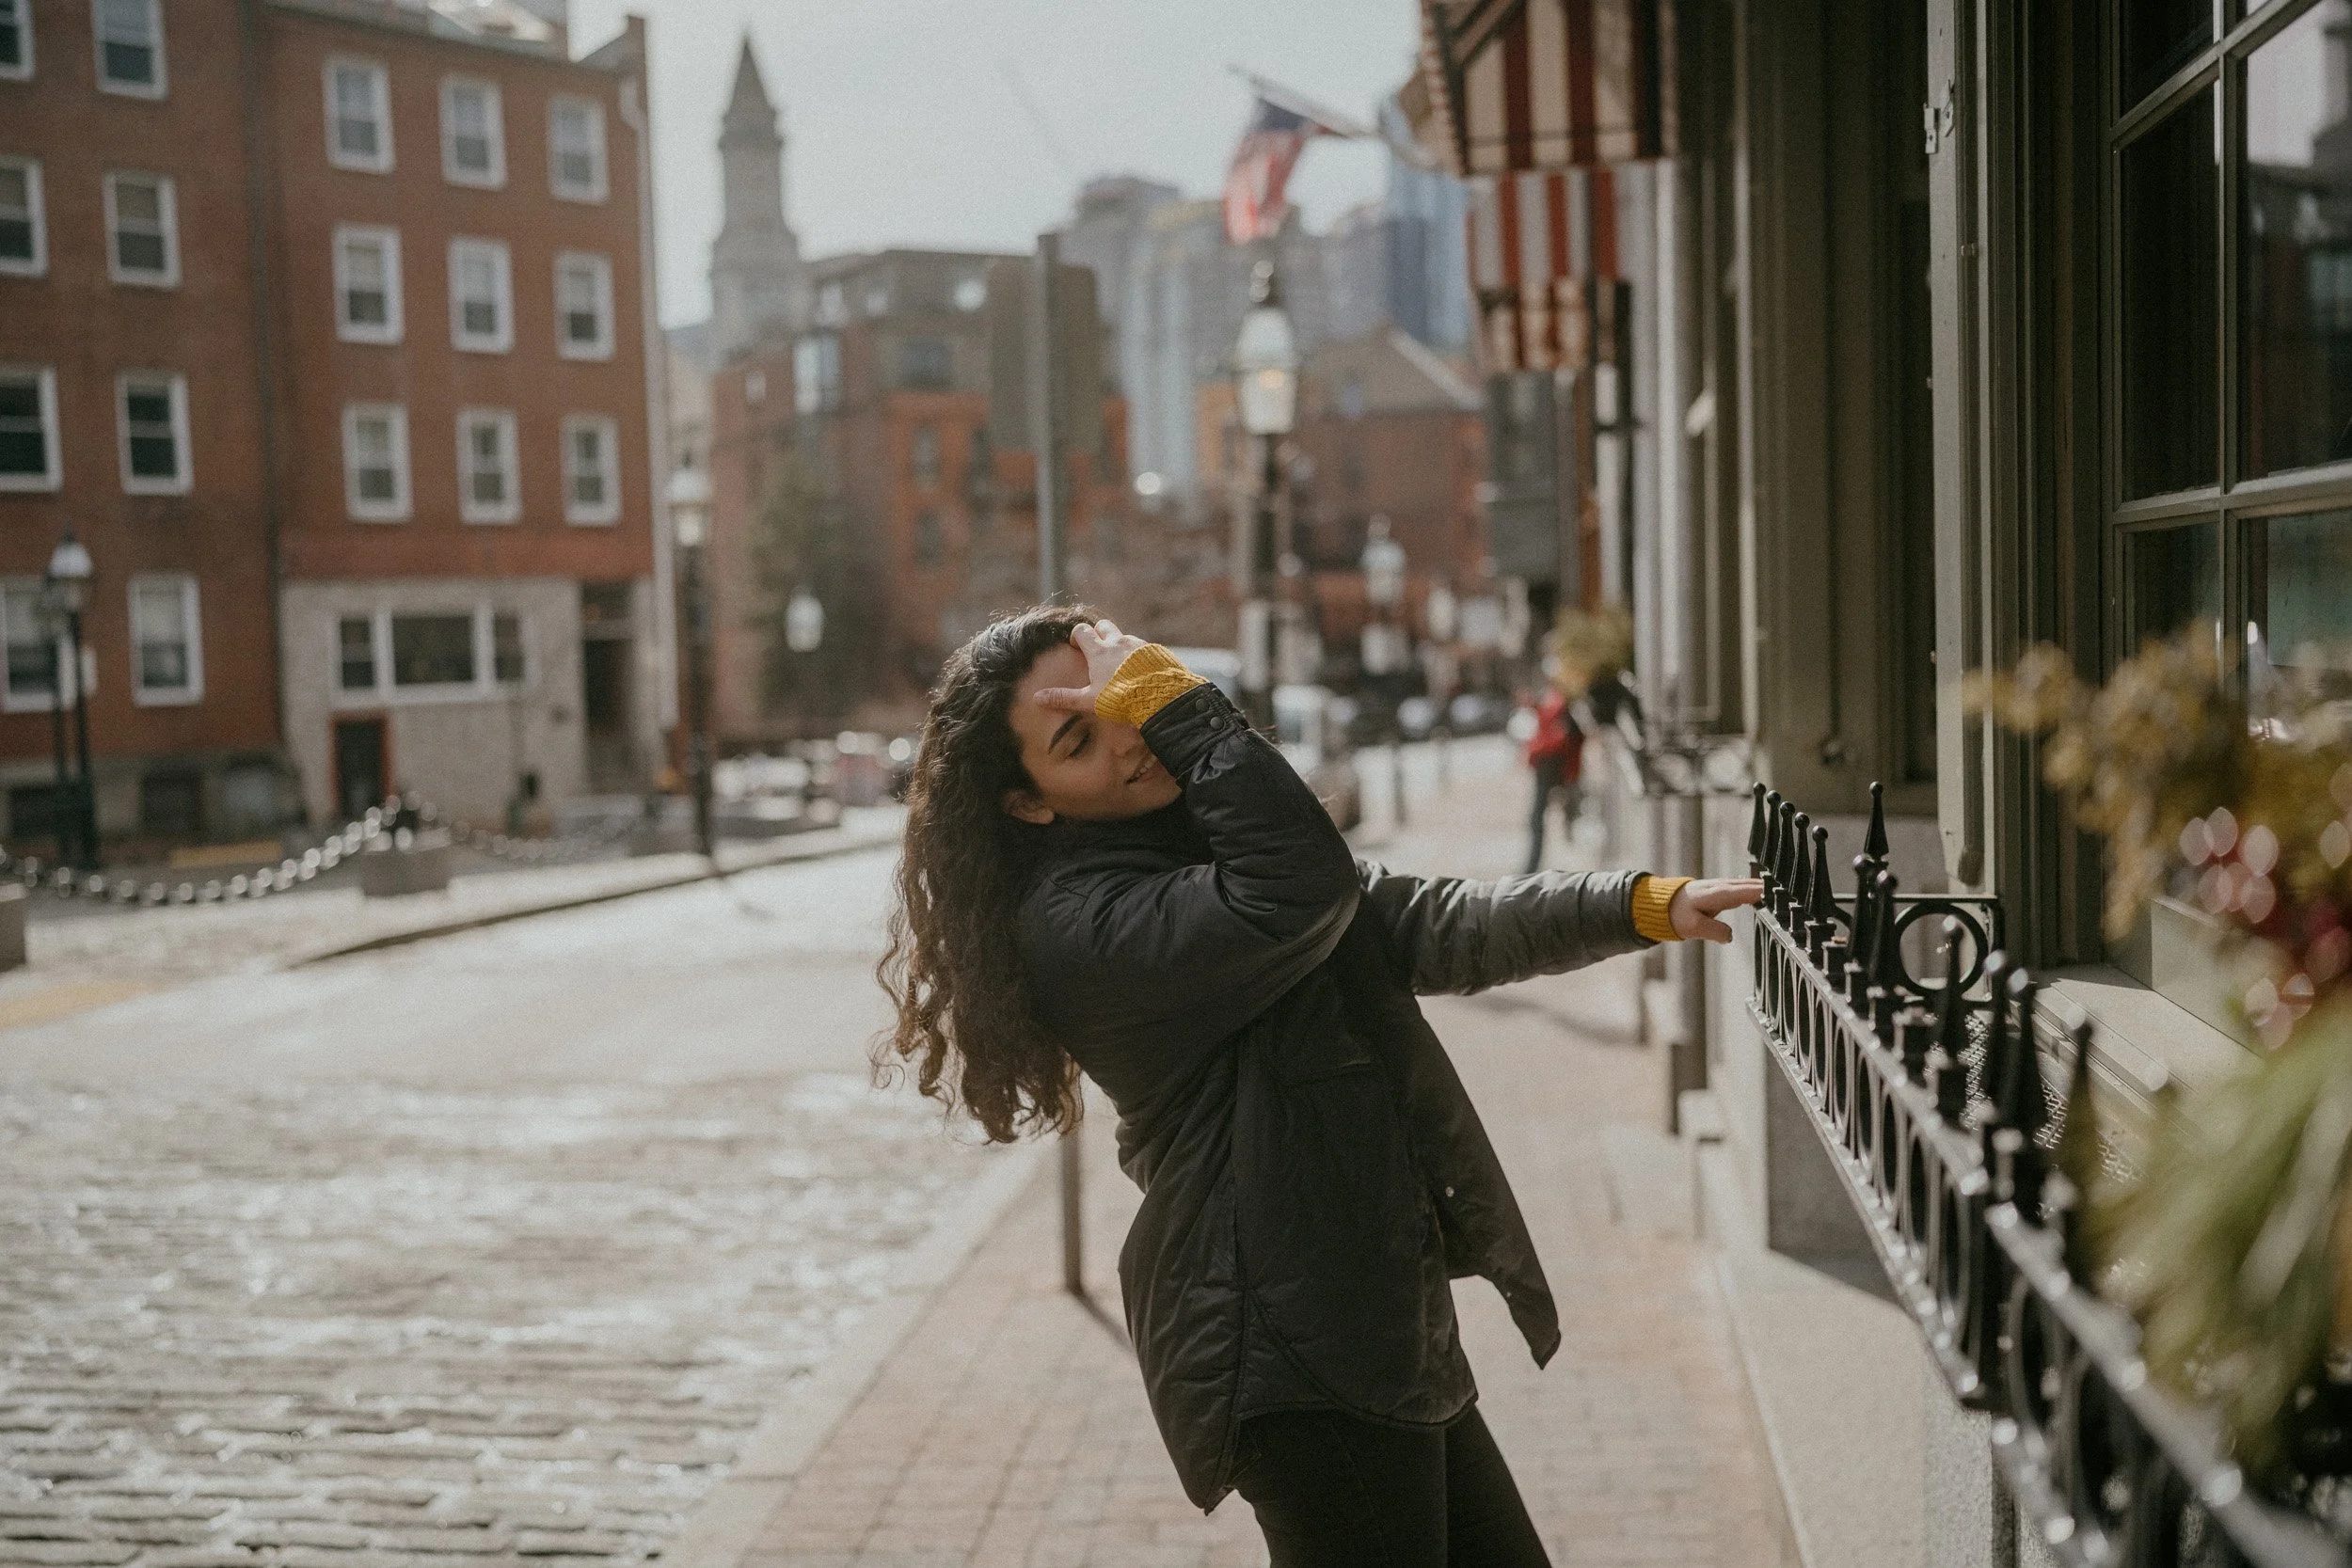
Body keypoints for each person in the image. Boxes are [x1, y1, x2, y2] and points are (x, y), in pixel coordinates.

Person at [878, 607, 1761, 1567]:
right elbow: (1299, 889)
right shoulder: (1080, 927)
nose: (1128, 738)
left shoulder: (1199, 848)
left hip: (1369, 1309)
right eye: (1079, 737)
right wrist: (1185, 708)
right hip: (1288, 1342)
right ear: (1028, 802)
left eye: (1122, 700)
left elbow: (1421, 922)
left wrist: (1640, 903)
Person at [1522, 671, 1583, 874]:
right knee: (1536, 819)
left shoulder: (1559, 702)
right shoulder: (1552, 699)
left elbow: (1561, 736)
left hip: (1552, 765)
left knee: (1538, 818)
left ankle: (1532, 866)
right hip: (1549, 765)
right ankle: (1532, 865)